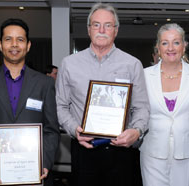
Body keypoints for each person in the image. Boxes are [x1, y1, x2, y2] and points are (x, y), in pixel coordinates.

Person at [56, 3, 149, 186]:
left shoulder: (132, 64)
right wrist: (74, 129)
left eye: (108, 25)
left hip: (121, 151)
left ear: (115, 30)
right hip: (83, 149)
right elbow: (60, 105)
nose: (101, 30)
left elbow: (142, 107)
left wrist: (136, 131)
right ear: (89, 29)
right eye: (96, 24)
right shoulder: (69, 64)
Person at [0, 18, 60, 186]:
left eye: (20, 39)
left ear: (28, 45)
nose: (14, 44)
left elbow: (51, 130)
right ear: (0, 45)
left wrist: (44, 164)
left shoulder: (44, 84)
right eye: (8, 39)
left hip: (36, 174)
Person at [139, 23, 189, 186]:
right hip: (152, 150)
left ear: (184, 46)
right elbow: (136, 110)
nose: (170, 48)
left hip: (186, 151)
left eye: (176, 42)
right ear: (158, 48)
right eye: (165, 43)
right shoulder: (144, 76)